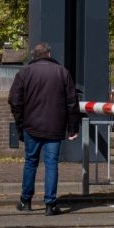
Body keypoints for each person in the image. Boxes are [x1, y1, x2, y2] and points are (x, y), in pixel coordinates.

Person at [8, 42, 80, 216]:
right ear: (49, 54)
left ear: (34, 55)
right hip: (55, 127)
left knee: (30, 163)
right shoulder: (62, 72)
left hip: (31, 126)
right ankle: (50, 204)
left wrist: (20, 123)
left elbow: (14, 100)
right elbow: (72, 103)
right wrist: (73, 128)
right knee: (51, 164)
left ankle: (25, 201)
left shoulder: (24, 73)